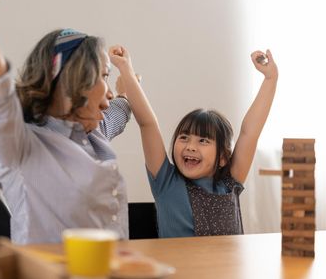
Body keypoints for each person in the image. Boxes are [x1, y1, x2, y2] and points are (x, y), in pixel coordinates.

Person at [0, 0, 133, 244]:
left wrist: (124, 92)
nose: (109, 94)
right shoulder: (20, 147)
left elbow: (116, 114)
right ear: (75, 79)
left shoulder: (95, 133)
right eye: (103, 75)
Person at [110, 45, 278, 237]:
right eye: (184, 138)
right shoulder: (166, 180)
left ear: (223, 157)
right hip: (181, 267)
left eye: (203, 141)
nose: (190, 146)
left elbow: (250, 131)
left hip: (226, 268)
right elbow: (148, 123)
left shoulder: (229, 183)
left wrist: (270, 79)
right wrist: (126, 69)